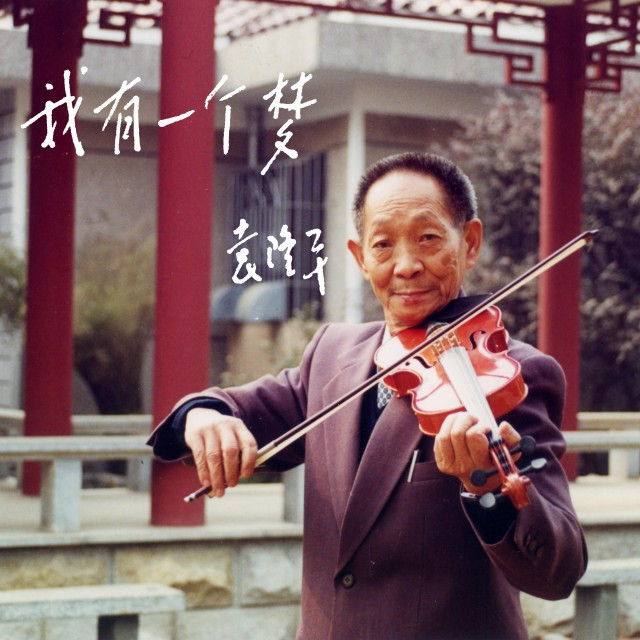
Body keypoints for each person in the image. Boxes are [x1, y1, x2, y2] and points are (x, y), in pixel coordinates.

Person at [148, 152, 587, 639]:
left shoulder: (511, 374)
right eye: (383, 244)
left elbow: (559, 570)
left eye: (428, 238)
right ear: (360, 258)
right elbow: (237, 408)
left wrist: (486, 490)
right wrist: (204, 415)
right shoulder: (331, 354)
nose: (407, 266)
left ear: (470, 244)